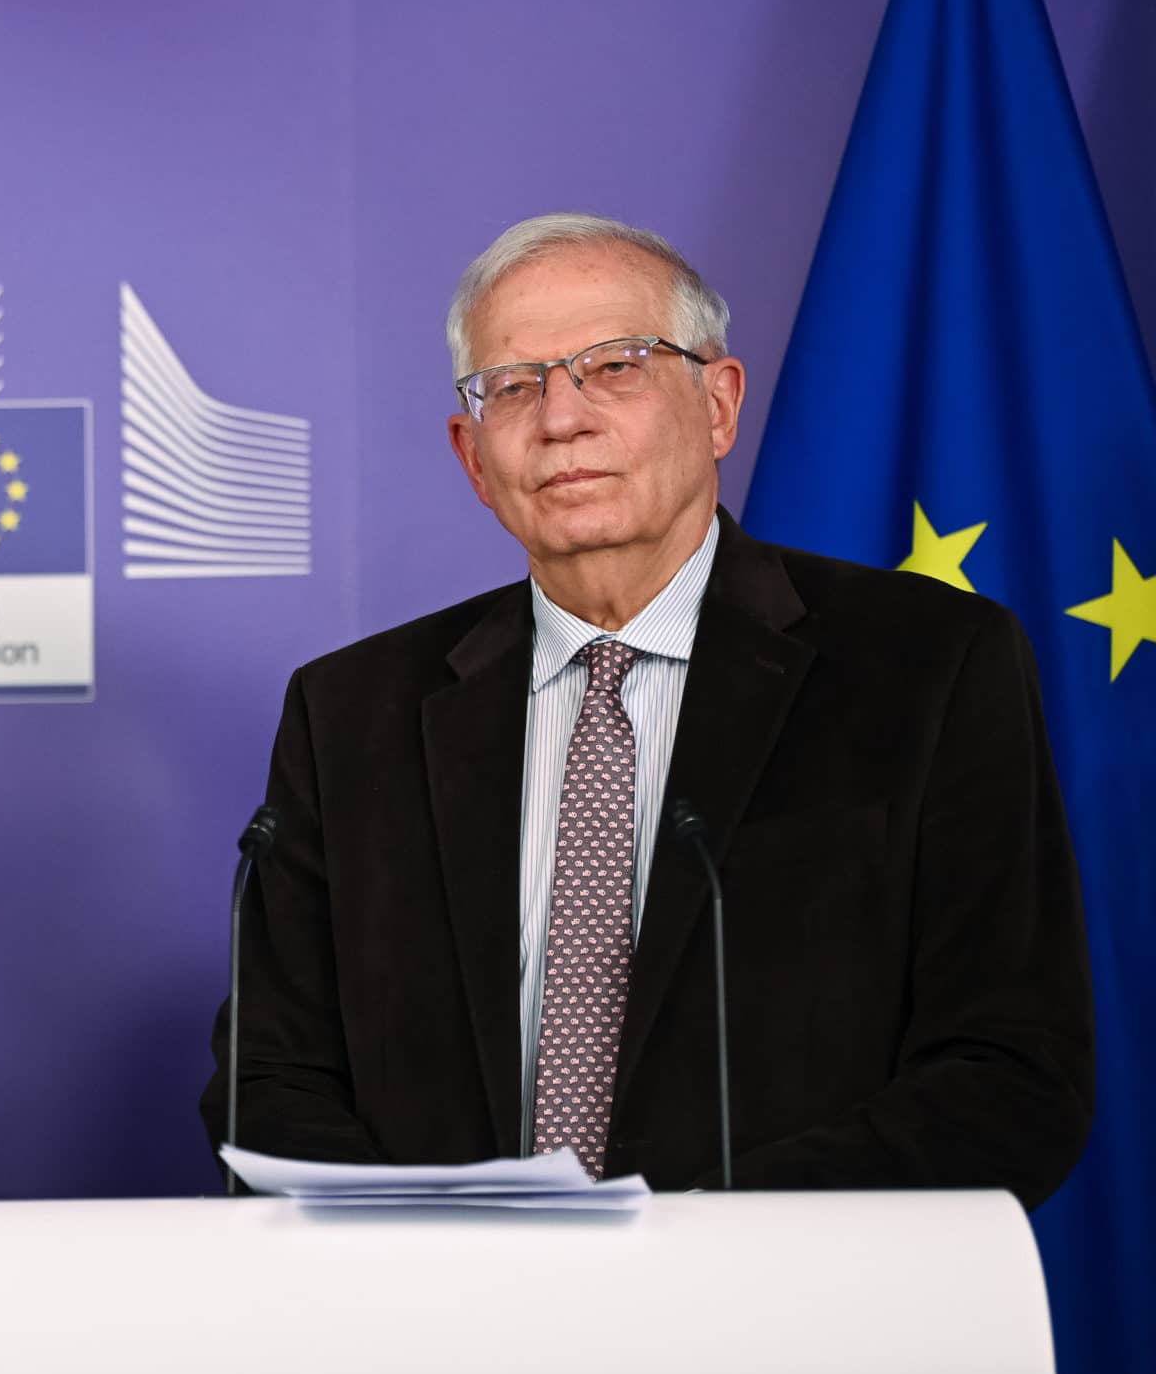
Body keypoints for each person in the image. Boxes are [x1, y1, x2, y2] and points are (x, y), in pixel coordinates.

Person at [201, 214, 1092, 1206]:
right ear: (472, 454)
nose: (561, 418)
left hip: (793, 1319)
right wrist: (435, 1260)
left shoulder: (925, 665)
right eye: (513, 385)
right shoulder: (351, 711)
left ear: (717, 404)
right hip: (450, 1322)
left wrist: (689, 1255)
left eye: (615, 366)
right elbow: (265, 1083)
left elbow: (1009, 1067)